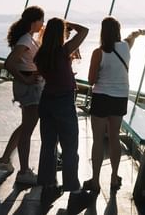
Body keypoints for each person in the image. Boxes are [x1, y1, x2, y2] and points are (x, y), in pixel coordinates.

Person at [84, 16, 145, 193]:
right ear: (118, 31)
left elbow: (90, 80)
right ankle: (114, 177)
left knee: (97, 140)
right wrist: (140, 33)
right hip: (119, 99)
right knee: (114, 138)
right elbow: (132, 36)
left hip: (101, 98)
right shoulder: (125, 46)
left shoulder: (99, 52)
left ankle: (95, 181)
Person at [34, 18, 89, 203]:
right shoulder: (63, 51)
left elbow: (51, 74)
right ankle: (74, 189)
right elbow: (84, 31)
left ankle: (48, 187)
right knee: (70, 146)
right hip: (63, 102)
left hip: (47, 101)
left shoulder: (40, 55)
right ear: (60, 33)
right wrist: (71, 24)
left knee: (48, 146)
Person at [0, 6, 45, 186]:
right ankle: (23, 172)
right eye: (41, 20)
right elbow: (9, 63)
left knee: (25, 126)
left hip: (29, 86)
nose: (43, 24)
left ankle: (5, 160)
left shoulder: (28, 38)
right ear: (35, 21)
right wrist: (26, 79)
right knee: (28, 130)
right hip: (30, 89)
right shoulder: (25, 39)